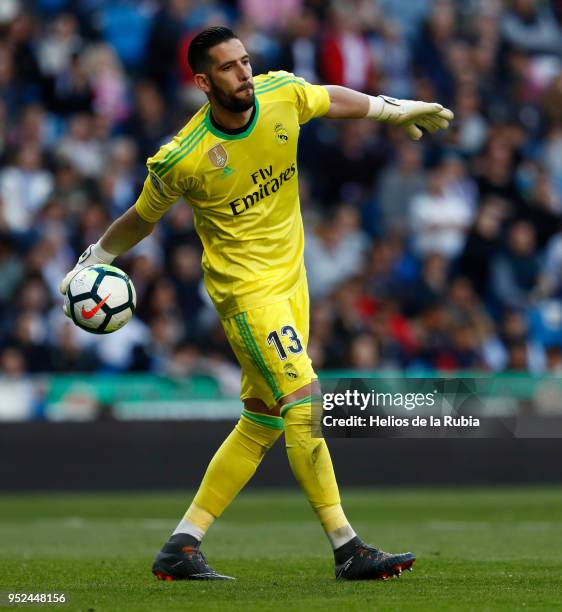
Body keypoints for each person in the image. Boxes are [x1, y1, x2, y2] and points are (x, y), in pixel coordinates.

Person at [59, 26, 453, 581]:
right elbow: (143, 217)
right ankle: (347, 547)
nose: (243, 73)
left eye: (245, 62)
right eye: (227, 67)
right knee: (305, 402)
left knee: (262, 421)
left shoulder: (280, 94)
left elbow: (328, 98)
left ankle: (182, 545)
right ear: (202, 81)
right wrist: (92, 258)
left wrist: (394, 110)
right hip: (246, 295)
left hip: (293, 284)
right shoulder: (183, 158)